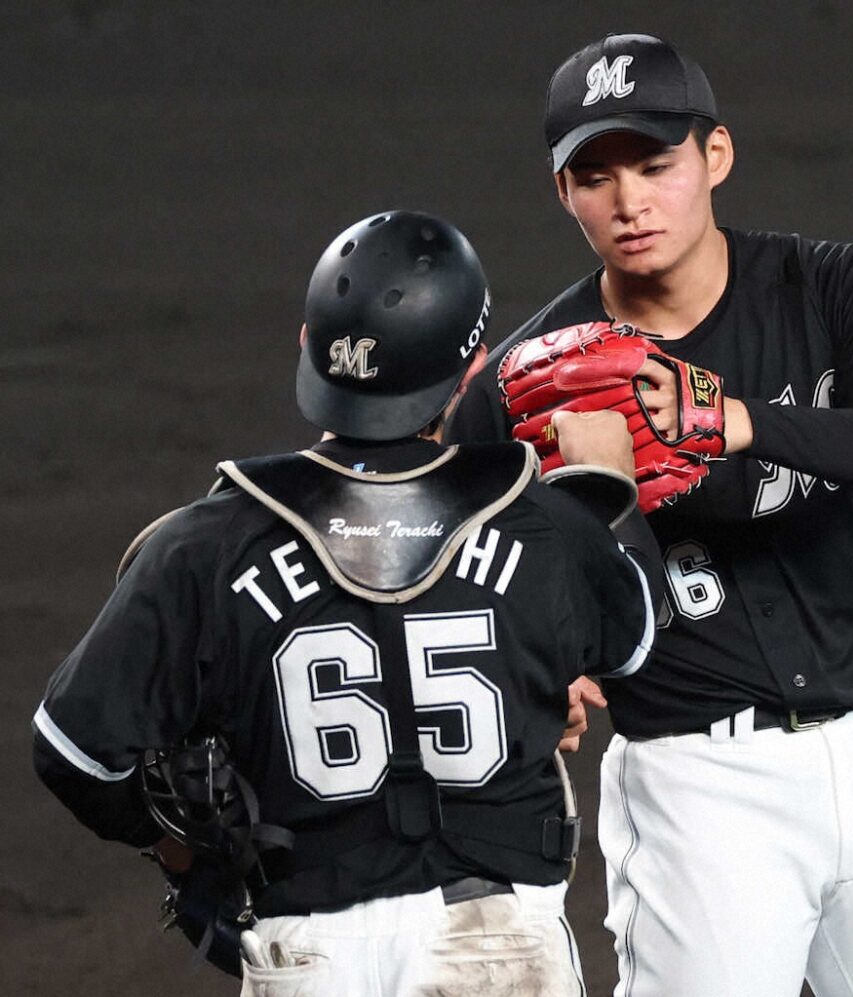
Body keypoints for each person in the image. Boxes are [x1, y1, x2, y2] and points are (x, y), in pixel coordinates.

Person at [445, 33, 853, 997]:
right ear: (563, 192)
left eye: (654, 164)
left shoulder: (833, 288)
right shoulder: (529, 385)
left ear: (716, 155)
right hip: (697, 791)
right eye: (595, 176)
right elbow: (453, 567)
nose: (629, 202)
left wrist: (734, 421)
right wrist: (534, 666)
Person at [32, 209, 662, 996]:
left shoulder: (202, 544)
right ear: (470, 371)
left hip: (310, 954)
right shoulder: (542, 526)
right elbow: (636, 634)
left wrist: (178, 850)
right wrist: (603, 491)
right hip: (496, 946)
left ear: (308, 346)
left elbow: (73, 753)